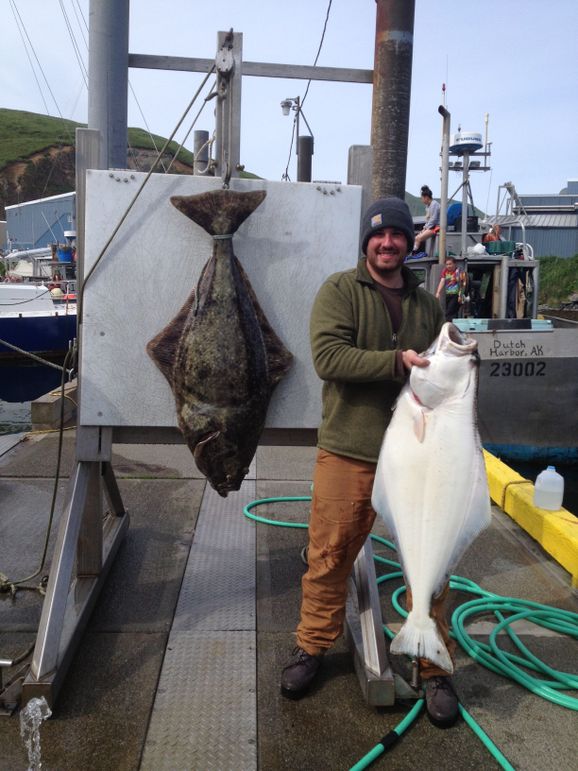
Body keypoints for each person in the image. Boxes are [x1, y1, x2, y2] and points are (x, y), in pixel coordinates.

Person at [280, 198, 460, 728]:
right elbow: (328, 358)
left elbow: (442, 380)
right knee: (329, 554)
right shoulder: (339, 290)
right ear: (366, 243)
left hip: (418, 457)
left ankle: (433, 669)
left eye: (398, 237)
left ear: (409, 243)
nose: (389, 244)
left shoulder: (429, 307)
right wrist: (395, 362)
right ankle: (312, 647)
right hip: (350, 449)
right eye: (380, 237)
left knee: (433, 566)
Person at [435, 256, 467, 322]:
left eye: (450, 264)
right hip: (448, 294)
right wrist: (438, 292)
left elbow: (463, 284)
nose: (448, 266)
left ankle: (448, 326)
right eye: (447, 264)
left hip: (456, 295)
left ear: (454, 264)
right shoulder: (445, 271)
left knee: (450, 312)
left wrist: (460, 295)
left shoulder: (459, 271)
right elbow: (442, 281)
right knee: (450, 312)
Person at [412, 185, 440, 254]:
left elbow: (433, 219)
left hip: (436, 227)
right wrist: (424, 228)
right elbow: (428, 220)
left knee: (418, 238)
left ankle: (413, 253)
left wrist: (426, 228)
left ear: (426, 197)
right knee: (416, 237)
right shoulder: (428, 206)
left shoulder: (434, 204)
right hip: (431, 226)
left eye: (422, 198)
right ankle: (413, 252)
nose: (422, 200)